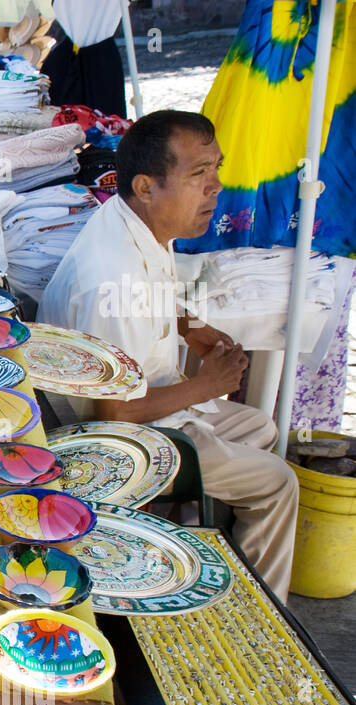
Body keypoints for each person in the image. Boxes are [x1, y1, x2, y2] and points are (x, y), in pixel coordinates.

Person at [40, 109, 299, 599]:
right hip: (111, 440)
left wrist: (196, 329)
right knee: (278, 483)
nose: (215, 187)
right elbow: (111, 413)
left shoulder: (133, 221)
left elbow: (158, 292)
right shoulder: (111, 276)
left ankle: (190, 533)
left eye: (216, 169)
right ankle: (261, 608)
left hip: (150, 405)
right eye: (199, 174)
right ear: (145, 186)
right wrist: (208, 383)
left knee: (260, 427)